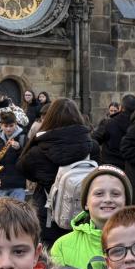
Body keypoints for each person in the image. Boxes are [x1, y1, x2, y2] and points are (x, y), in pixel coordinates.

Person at [49, 165, 133, 269]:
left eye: (116, 194)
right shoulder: (63, 245)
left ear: (126, 202)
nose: (108, 199)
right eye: (99, 193)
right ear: (86, 203)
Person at [18, 97, 100, 239]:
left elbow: (22, 168)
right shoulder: (92, 146)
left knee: (52, 251)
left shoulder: (38, 150)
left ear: (49, 118)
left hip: (49, 215)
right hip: (84, 214)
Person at [0, 108, 27, 201]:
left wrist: (19, 149)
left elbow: (29, 160)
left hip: (18, 185)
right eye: (5, 126)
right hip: (0, 184)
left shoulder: (23, 138)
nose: (8, 129)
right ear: (1, 125)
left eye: (11, 126)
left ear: (16, 124)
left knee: (17, 209)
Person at [92, 93, 135, 170]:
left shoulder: (109, 123)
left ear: (121, 107)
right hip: (130, 167)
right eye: (111, 110)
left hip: (110, 165)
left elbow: (94, 140)